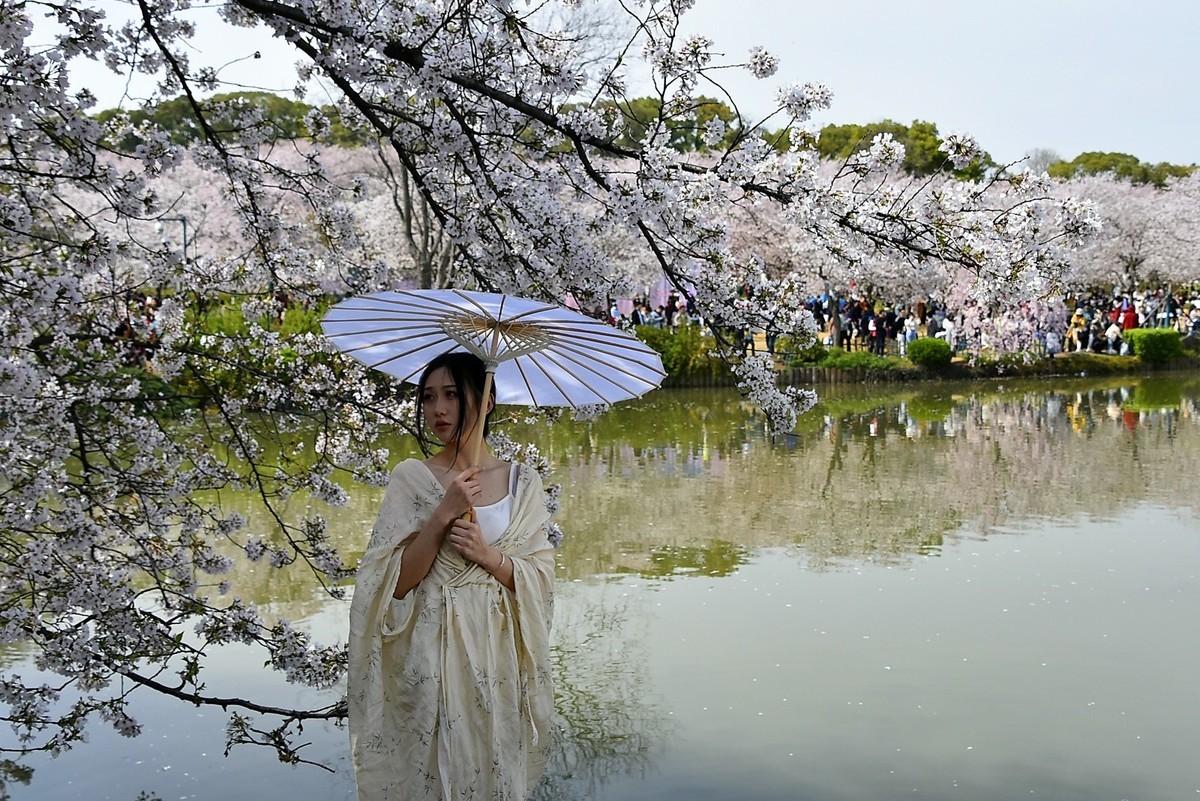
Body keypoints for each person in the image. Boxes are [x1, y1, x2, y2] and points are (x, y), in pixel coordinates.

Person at [348, 351, 556, 801]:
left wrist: (487, 555)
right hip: (429, 652)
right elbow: (391, 585)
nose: (437, 410)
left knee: (491, 769)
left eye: (450, 395)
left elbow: (540, 579)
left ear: (486, 402)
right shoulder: (412, 478)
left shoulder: (524, 483)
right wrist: (442, 513)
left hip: (494, 654)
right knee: (432, 775)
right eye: (427, 397)